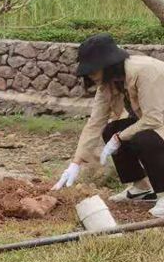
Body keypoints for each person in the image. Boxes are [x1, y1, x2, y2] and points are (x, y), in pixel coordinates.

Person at [52, 34, 164, 217]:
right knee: (111, 130)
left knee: (144, 137)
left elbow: (153, 119)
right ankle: (142, 188)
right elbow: (94, 123)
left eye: (93, 70)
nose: (90, 75)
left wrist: (119, 138)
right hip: (156, 122)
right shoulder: (109, 84)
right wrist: (75, 163)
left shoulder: (145, 71)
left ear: (108, 65)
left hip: (157, 121)